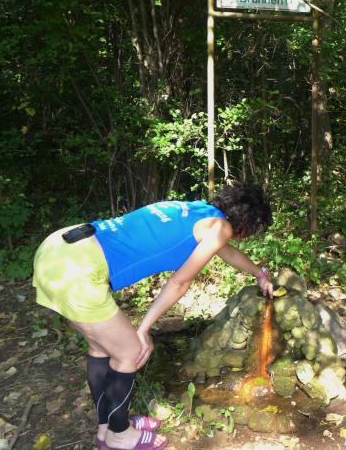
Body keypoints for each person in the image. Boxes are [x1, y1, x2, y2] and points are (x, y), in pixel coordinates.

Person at [32, 183, 273, 450]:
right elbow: (179, 282)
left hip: (59, 249)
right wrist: (144, 328)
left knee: (101, 347)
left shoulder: (198, 211)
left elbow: (228, 252)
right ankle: (119, 435)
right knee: (131, 351)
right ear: (248, 223)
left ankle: (107, 428)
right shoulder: (220, 227)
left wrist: (259, 273)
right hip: (77, 271)